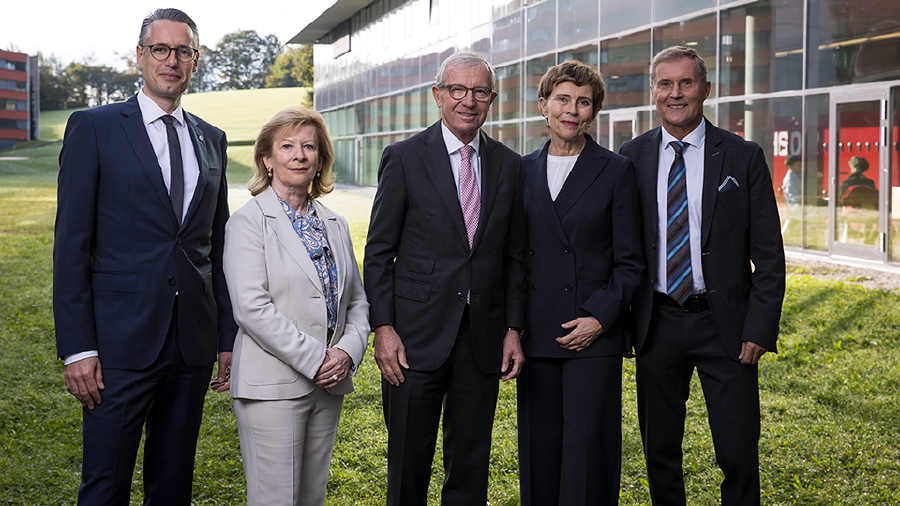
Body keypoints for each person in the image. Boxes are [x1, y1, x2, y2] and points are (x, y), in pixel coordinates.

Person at [53, 8, 236, 504]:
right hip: (116, 345)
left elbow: (214, 247)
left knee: (173, 485)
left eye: (183, 51)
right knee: (105, 485)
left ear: (195, 60)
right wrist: (77, 348)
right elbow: (71, 244)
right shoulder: (94, 128)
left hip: (190, 344)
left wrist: (226, 336)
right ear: (140, 56)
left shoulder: (212, 140)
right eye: (160, 49)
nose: (170, 60)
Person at [618, 46, 785, 506]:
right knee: (660, 449)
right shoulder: (630, 157)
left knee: (737, 450)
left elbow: (769, 255)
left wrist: (759, 327)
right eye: (665, 84)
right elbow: (621, 249)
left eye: (686, 83)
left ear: (706, 90)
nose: (676, 94)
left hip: (725, 325)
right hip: (658, 323)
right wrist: (626, 322)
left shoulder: (742, 156)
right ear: (653, 92)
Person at [363, 50, 527, 506]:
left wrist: (513, 328)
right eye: (457, 89)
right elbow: (378, 253)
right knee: (408, 465)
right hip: (414, 339)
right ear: (438, 95)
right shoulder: (404, 158)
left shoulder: (509, 165)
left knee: (470, 465)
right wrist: (384, 328)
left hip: (483, 339)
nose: (467, 100)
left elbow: (515, 257)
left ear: (492, 99)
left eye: (479, 91)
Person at [223, 107, 370, 506]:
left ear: (320, 159)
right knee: (275, 499)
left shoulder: (334, 223)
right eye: (287, 146)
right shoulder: (248, 222)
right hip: (273, 386)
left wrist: (346, 352)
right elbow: (251, 308)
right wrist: (317, 358)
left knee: (311, 498)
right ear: (267, 160)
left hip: (329, 383)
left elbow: (356, 299)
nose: (299, 155)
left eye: (309, 146)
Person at [517, 60, 643, 506]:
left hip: (592, 335)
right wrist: (513, 329)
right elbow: (514, 259)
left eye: (583, 101)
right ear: (544, 106)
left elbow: (631, 262)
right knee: (539, 455)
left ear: (594, 112)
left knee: (589, 455)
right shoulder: (522, 170)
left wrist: (599, 317)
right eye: (563, 99)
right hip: (536, 334)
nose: (572, 110)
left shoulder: (615, 169)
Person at [780, 155, 801, 236]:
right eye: (798, 165)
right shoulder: (790, 179)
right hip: (794, 207)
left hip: (797, 206)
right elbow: (794, 197)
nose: (800, 167)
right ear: (790, 167)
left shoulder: (797, 174)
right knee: (790, 225)